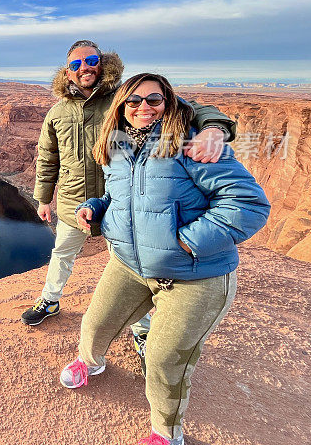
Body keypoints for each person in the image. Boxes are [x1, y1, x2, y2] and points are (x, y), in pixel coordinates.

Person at [60, 72, 270, 445]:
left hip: (195, 277)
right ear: (121, 107)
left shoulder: (194, 145)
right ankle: (91, 363)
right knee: (94, 324)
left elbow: (249, 204)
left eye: (154, 100)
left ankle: (166, 433)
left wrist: (188, 241)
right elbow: (122, 200)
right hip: (130, 265)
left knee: (163, 359)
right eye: (134, 101)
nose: (144, 108)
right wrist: (96, 208)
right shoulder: (118, 147)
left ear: (168, 102)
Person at [22, 41, 235, 337]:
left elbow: (190, 108)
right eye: (75, 64)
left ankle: (141, 328)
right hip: (74, 200)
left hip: (122, 203)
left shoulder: (127, 99)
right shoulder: (57, 112)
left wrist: (214, 128)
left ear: (102, 63)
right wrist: (44, 199)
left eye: (91, 60)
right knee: (62, 254)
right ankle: (50, 300)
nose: (84, 67)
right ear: (67, 73)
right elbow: (48, 157)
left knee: (131, 267)